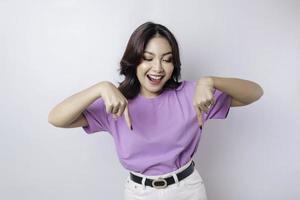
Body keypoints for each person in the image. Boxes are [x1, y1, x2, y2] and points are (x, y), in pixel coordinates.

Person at [48, 21, 264, 200]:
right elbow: (56, 118)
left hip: (188, 191)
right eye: (148, 58)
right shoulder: (115, 102)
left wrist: (210, 81)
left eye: (167, 59)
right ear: (133, 61)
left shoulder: (191, 94)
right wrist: (101, 87)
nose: (158, 68)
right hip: (138, 194)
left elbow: (255, 93)